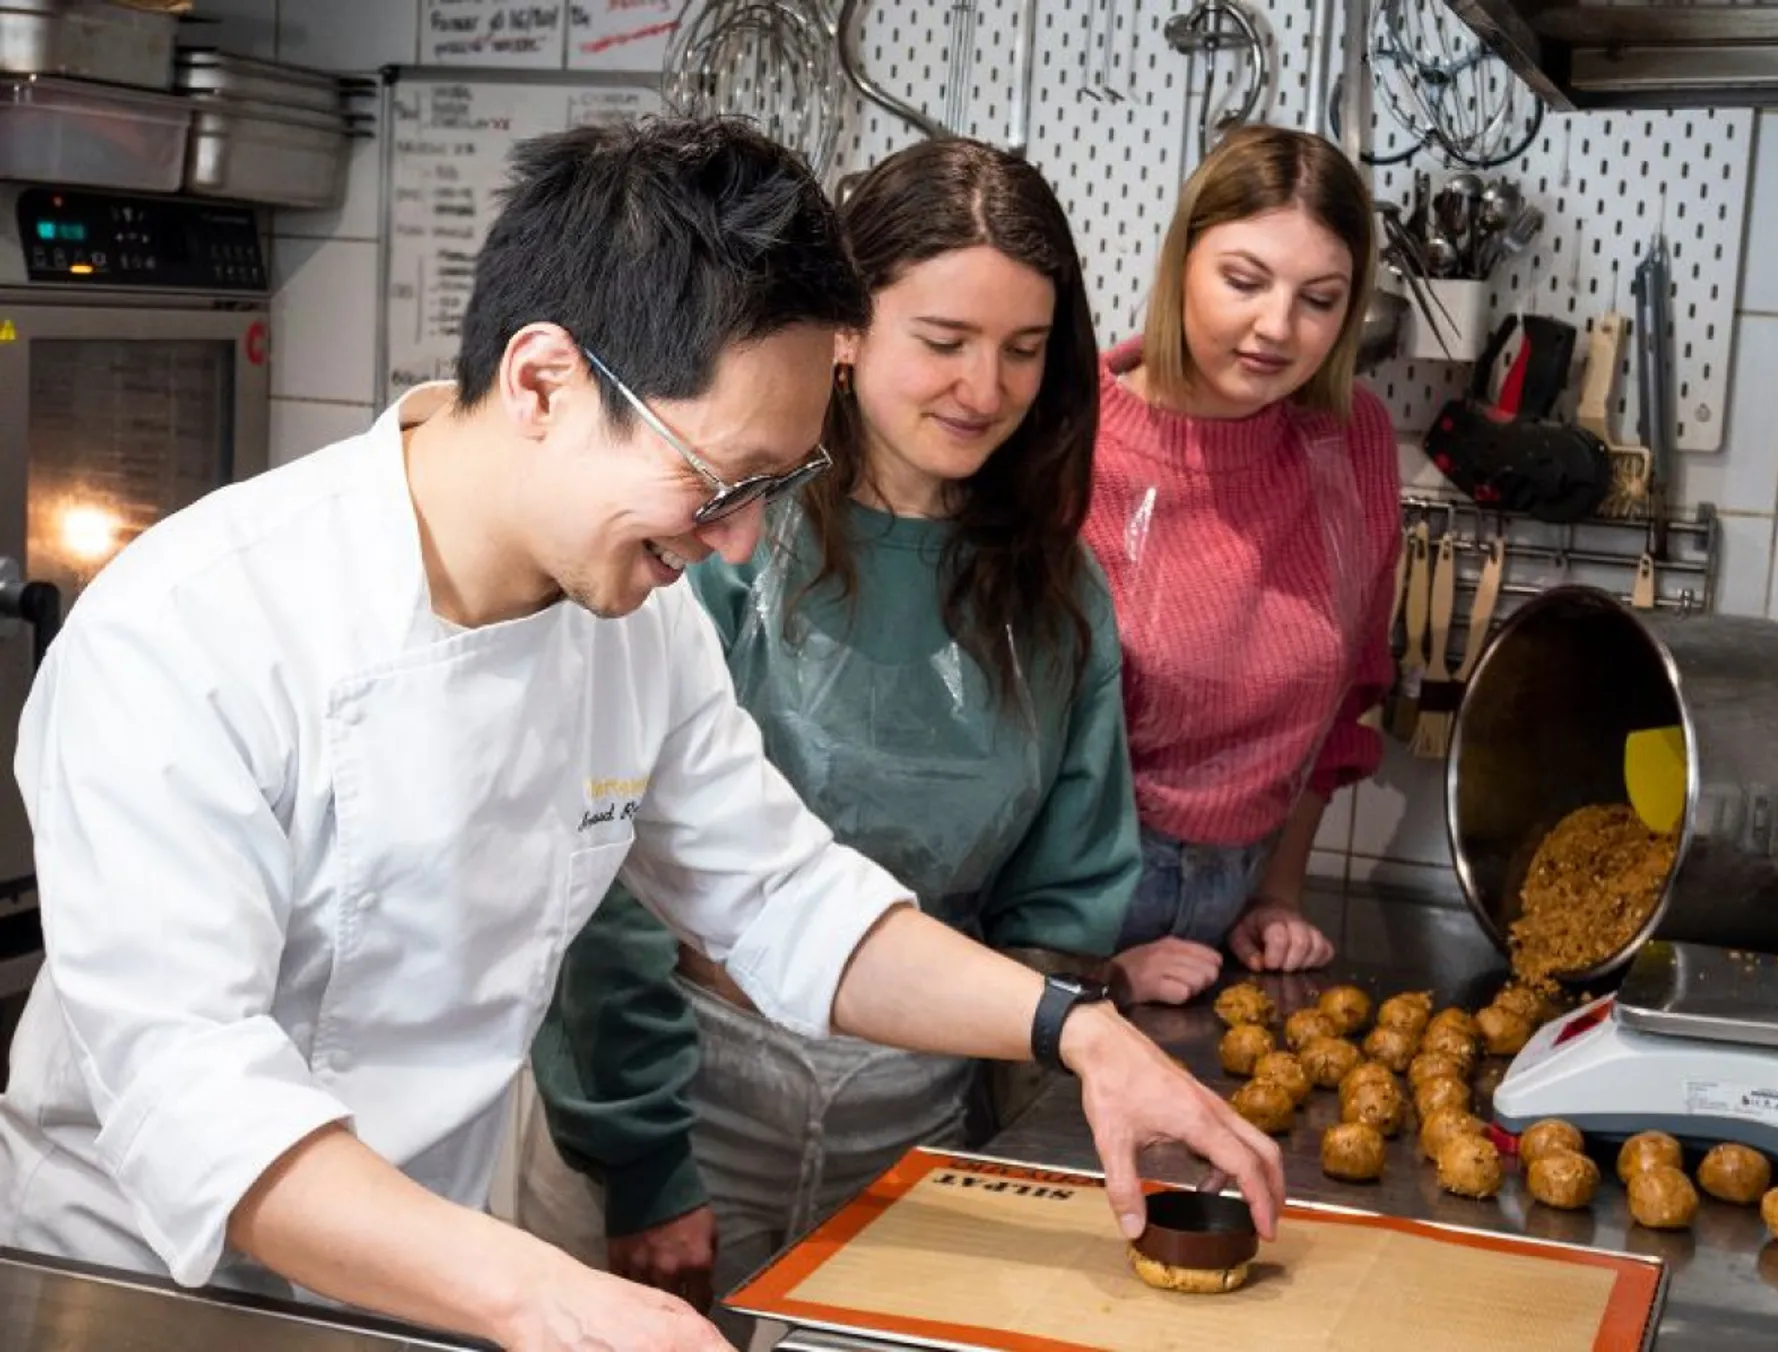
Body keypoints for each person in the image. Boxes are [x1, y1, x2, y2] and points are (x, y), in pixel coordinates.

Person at [0, 118, 1283, 1352]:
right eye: (717, 480)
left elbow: (782, 895)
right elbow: (196, 1097)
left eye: (771, 488)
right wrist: (540, 1294)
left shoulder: (628, 619)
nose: (735, 542)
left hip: (423, 1268)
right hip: (137, 1290)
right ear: (545, 381)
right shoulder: (187, 628)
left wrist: (1077, 1028)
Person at [519, 137, 1161, 1340]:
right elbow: (607, 879)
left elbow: (1064, 895)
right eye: (947, 341)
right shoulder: (710, 536)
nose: (986, 387)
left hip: (919, 1107)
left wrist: (1035, 1121)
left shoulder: (1056, 591)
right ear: (848, 328)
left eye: (1024, 351)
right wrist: (646, 1153)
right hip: (682, 1084)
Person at [1083, 125, 1401, 1000]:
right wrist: (1086, 968)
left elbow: (1343, 702)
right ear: (1180, 262)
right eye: (1244, 281)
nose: (1277, 329)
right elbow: (1005, 749)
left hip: (1227, 928)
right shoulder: (1067, 438)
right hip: (1059, 917)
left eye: (1319, 299)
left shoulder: (1349, 442)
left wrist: (1275, 893)